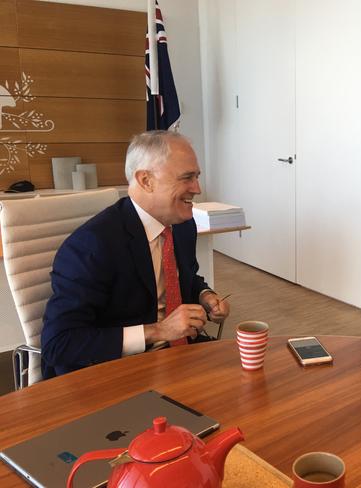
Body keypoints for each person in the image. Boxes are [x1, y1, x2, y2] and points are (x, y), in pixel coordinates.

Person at [41, 131, 230, 379]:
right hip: (115, 371)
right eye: (187, 178)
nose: (197, 188)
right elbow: (59, 344)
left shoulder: (182, 224)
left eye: (196, 177)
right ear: (146, 180)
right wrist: (160, 331)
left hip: (178, 358)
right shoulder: (92, 244)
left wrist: (205, 295)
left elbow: (185, 276)